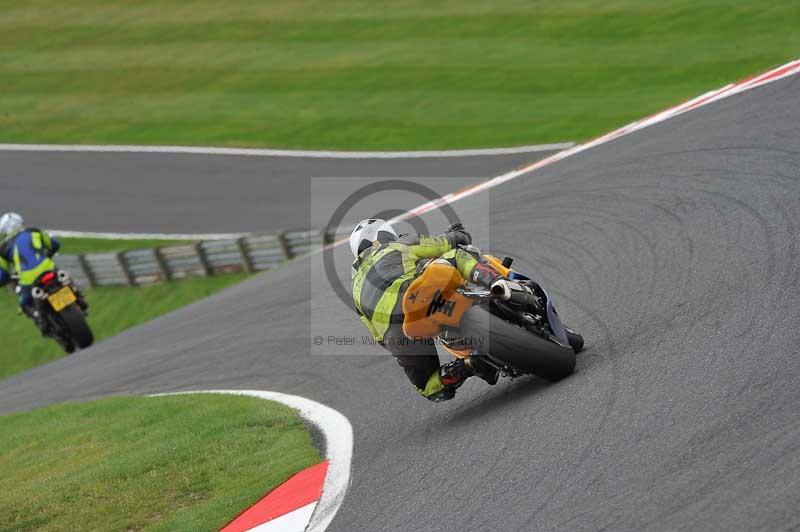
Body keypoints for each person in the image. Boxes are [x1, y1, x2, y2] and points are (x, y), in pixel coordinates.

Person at [350, 218, 528, 402]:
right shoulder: (396, 245)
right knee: (455, 254)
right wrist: (459, 233)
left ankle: (468, 365)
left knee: (428, 386)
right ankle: (498, 283)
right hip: (414, 292)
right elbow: (443, 244)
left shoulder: (355, 288)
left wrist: (397, 345)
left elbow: (377, 336)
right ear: (386, 234)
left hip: (393, 330)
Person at [0, 212, 61, 320]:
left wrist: (5, 281)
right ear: (20, 222)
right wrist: (48, 255)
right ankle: (78, 296)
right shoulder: (34, 231)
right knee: (64, 279)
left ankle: (41, 320)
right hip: (49, 268)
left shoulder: (3, 249)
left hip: (28, 280)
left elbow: (3, 275)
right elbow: (54, 244)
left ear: (4, 231)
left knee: (24, 303)